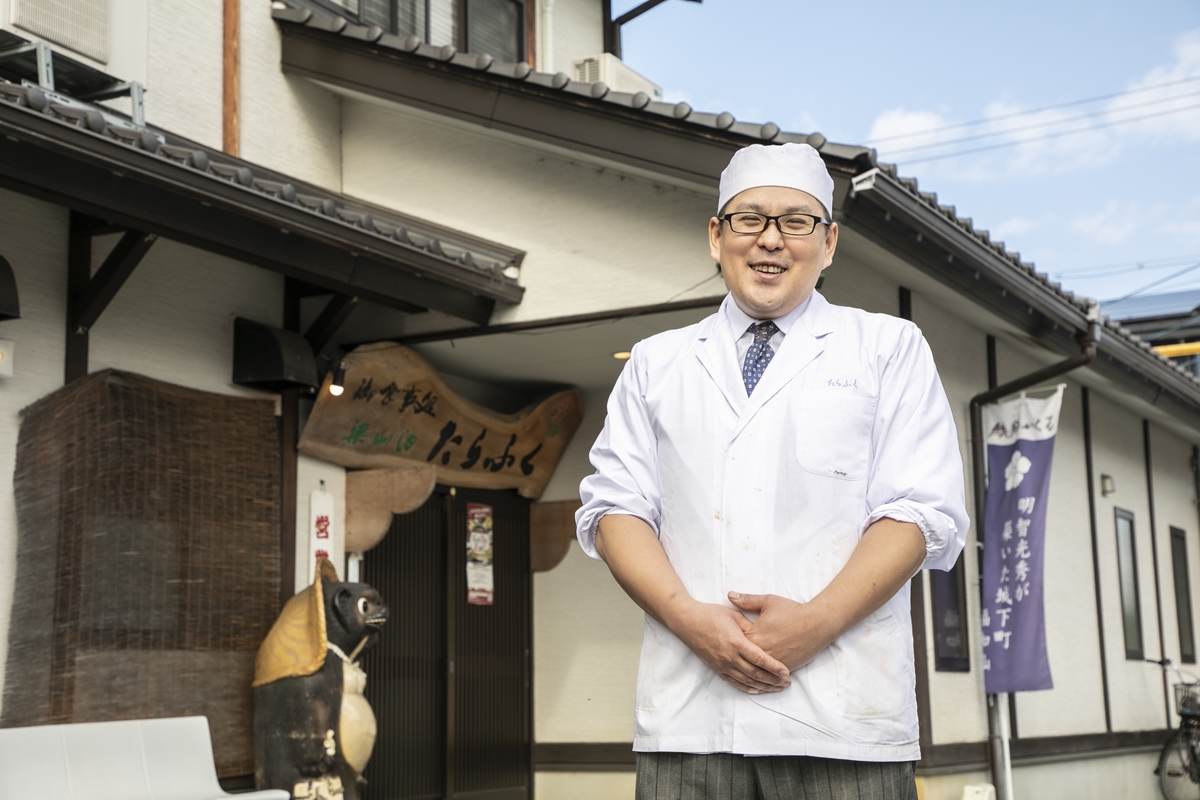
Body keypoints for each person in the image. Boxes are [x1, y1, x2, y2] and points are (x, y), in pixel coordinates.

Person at [576, 143, 968, 799]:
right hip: (689, 717)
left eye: (796, 221)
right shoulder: (656, 362)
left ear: (830, 242)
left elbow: (919, 510)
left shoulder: (887, 348)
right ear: (716, 235)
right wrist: (689, 618)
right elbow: (615, 510)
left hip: (842, 719)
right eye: (750, 219)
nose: (771, 240)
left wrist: (815, 623)